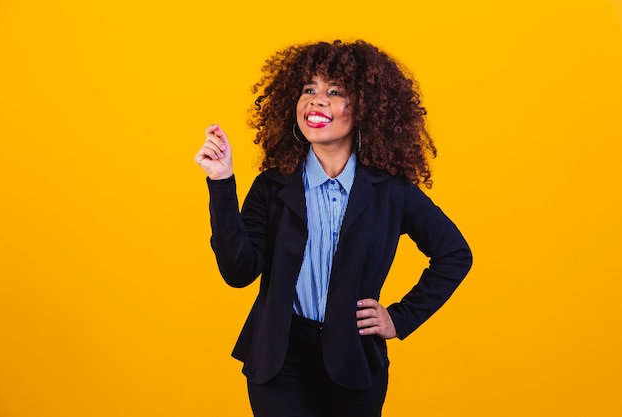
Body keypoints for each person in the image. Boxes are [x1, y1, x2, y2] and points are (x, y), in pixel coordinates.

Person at [195, 39, 472, 417]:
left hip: (353, 361)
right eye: (309, 90)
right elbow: (238, 271)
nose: (317, 100)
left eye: (334, 91)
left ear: (364, 108)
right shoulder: (273, 186)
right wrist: (222, 182)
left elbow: (454, 254)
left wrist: (400, 317)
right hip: (280, 357)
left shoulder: (390, 191)